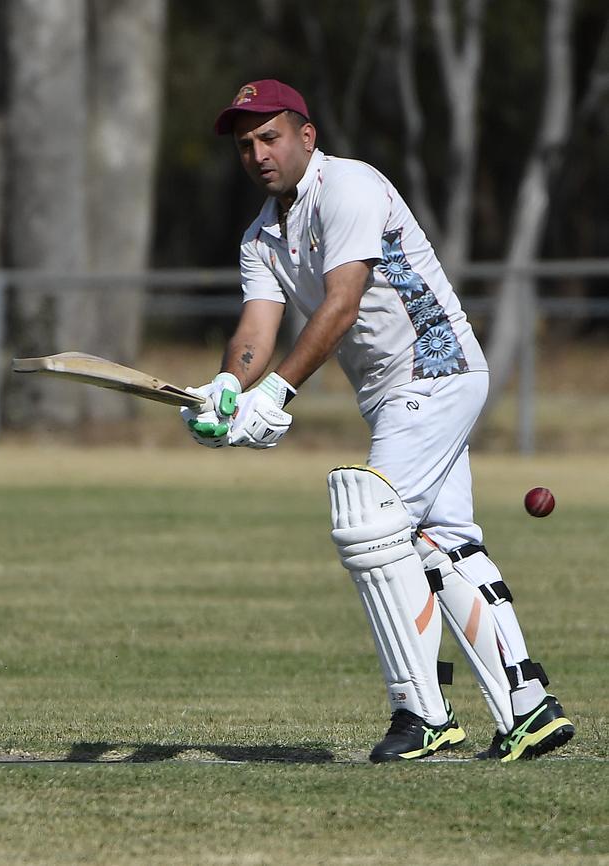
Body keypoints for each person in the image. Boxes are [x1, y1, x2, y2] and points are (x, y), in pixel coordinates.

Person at [181, 79, 575, 762]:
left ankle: (422, 713)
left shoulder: (350, 188)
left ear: (307, 135)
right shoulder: (261, 237)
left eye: (269, 136)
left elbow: (341, 304)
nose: (257, 153)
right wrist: (226, 387)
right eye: (245, 145)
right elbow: (256, 328)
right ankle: (528, 707)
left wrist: (275, 395)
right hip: (394, 391)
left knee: (368, 517)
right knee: (439, 540)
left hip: (436, 368)